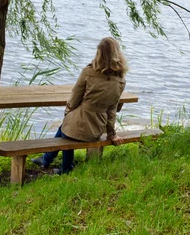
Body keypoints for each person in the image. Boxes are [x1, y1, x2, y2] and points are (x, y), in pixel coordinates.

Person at [32, 37, 128, 174]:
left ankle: (63, 166)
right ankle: (47, 159)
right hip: (97, 128)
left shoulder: (88, 72)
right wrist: (111, 133)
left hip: (81, 123)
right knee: (68, 127)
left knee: (67, 128)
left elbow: (75, 97)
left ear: (99, 53)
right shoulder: (120, 80)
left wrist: (68, 112)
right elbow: (112, 109)